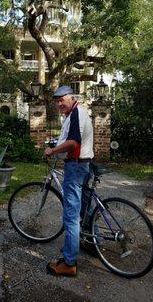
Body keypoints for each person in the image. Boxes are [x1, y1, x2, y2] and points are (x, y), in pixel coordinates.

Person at [44, 85, 94, 277]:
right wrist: (57, 142)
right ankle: (91, 242)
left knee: (71, 216)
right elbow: (69, 137)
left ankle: (69, 263)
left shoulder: (76, 114)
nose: (59, 104)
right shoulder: (76, 113)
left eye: (61, 99)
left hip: (75, 165)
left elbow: (73, 142)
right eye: (56, 101)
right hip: (84, 164)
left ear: (71, 98)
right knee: (86, 208)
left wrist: (52, 151)